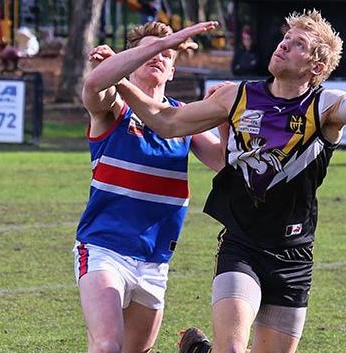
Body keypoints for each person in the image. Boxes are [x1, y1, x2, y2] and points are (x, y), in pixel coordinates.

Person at [89, 10, 346, 353]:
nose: (284, 45)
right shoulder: (237, 97)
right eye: (285, 38)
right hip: (241, 246)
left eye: (298, 44)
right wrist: (120, 79)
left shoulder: (325, 105)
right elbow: (168, 121)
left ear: (316, 67)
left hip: (294, 256)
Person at [74, 21, 225, 353]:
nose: (159, 55)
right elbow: (94, 84)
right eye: (150, 50)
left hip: (154, 259)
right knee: (107, 346)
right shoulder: (115, 107)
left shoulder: (182, 117)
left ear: (172, 71)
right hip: (104, 249)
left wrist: (226, 118)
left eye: (167, 53)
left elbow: (222, 162)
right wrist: (160, 43)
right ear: (131, 58)